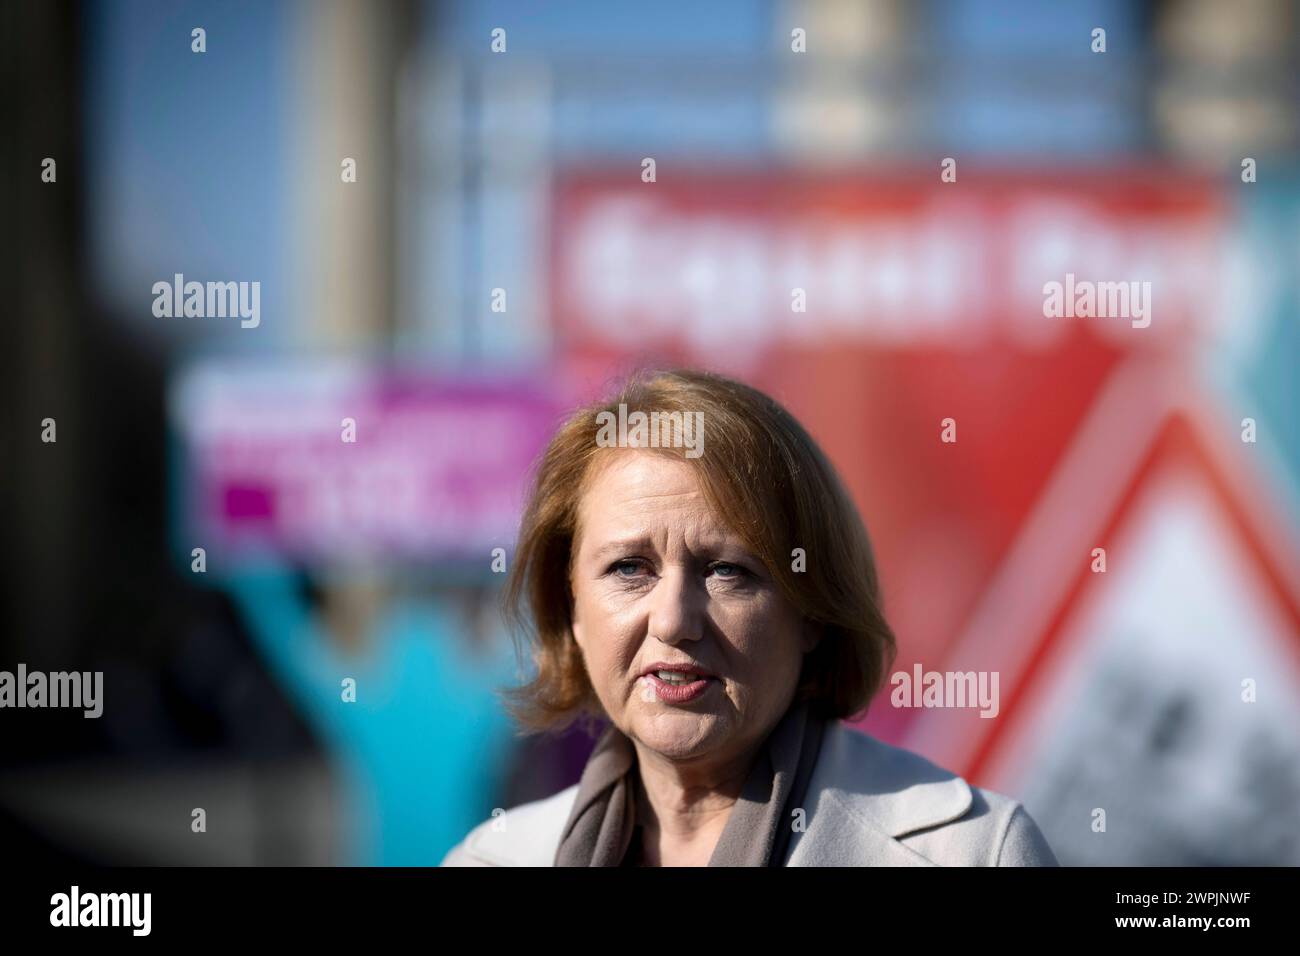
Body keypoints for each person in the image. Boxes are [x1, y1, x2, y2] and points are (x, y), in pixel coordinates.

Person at [441, 368, 1058, 866]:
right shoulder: (493, 858)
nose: (674, 621)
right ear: (570, 607)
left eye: (727, 570)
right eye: (629, 568)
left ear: (813, 609)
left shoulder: (972, 853)